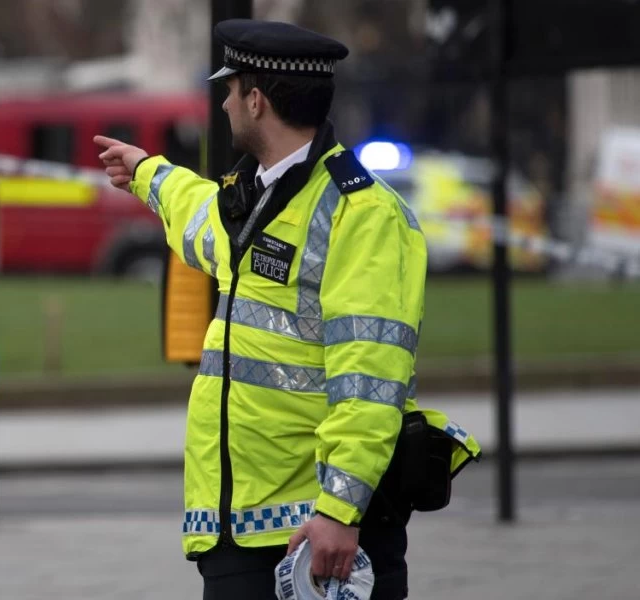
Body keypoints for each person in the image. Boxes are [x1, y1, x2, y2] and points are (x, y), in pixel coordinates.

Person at [95, 19, 482, 600]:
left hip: (319, 538)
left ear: (256, 101)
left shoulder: (362, 215)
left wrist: (340, 509)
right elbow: (199, 217)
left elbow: (369, 379)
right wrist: (147, 172)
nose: (224, 104)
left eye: (230, 90)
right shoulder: (250, 197)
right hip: (239, 532)